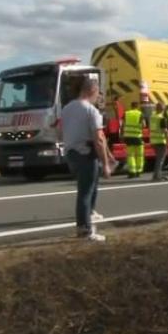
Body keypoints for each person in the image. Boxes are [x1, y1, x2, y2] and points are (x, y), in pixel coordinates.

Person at [61, 77, 113, 241]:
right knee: (85, 192)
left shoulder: (67, 108)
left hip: (71, 153)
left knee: (89, 187)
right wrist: (106, 164)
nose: (98, 97)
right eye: (98, 93)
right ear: (92, 91)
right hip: (85, 152)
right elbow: (98, 139)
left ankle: (90, 214)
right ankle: (85, 231)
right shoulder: (91, 111)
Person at [149, 101, 168, 181]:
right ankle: (157, 177)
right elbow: (165, 130)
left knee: (158, 159)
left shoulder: (152, 116)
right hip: (161, 141)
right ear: (163, 109)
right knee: (160, 160)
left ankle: (156, 175)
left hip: (154, 140)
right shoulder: (161, 118)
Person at [122, 101, 144, 178]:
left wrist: (122, 134)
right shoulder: (140, 113)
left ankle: (132, 172)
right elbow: (143, 125)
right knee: (139, 155)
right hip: (138, 137)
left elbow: (123, 124)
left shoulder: (126, 113)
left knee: (130, 155)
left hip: (128, 137)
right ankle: (138, 171)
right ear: (137, 106)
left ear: (131, 106)